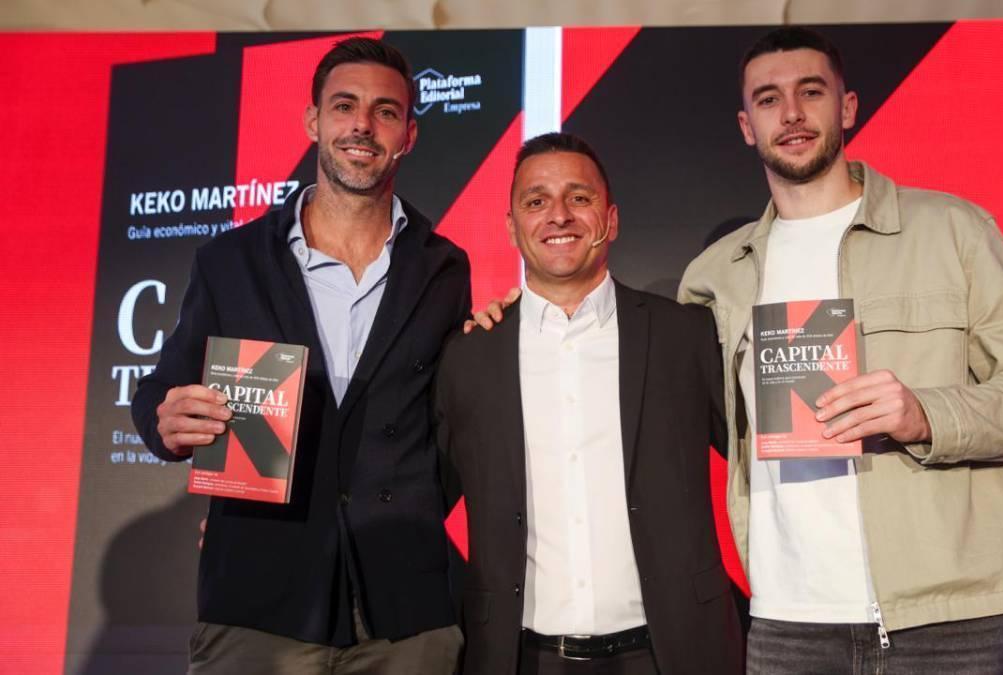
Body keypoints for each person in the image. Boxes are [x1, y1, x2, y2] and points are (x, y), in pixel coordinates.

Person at [677, 27, 1003, 674]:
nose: (791, 113)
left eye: (811, 92)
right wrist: (517, 316)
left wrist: (925, 414)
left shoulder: (951, 230)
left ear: (847, 107)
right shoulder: (714, 276)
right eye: (769, 99)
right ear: (747, 126)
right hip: (789, 625)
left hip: (952, 619)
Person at [131, 37, 469, 674]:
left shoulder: (445, 269)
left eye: (385, 111)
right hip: (259, 596)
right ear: (314, 121)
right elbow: (158, 390)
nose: (362, 125)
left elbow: (456, 424)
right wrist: (163, 422)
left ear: (409, 134)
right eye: (344, 106)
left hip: (405, 609)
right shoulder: (229, 262)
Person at [436, 132, 743, 675]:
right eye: (536, 201)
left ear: (612, 219)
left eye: (579, 198)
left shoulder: (685, 335)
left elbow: (761, 456)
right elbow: (422, 496)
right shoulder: (468, 356)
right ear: (512, 227)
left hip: (673, 653)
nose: (559, 215)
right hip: (519, 658)